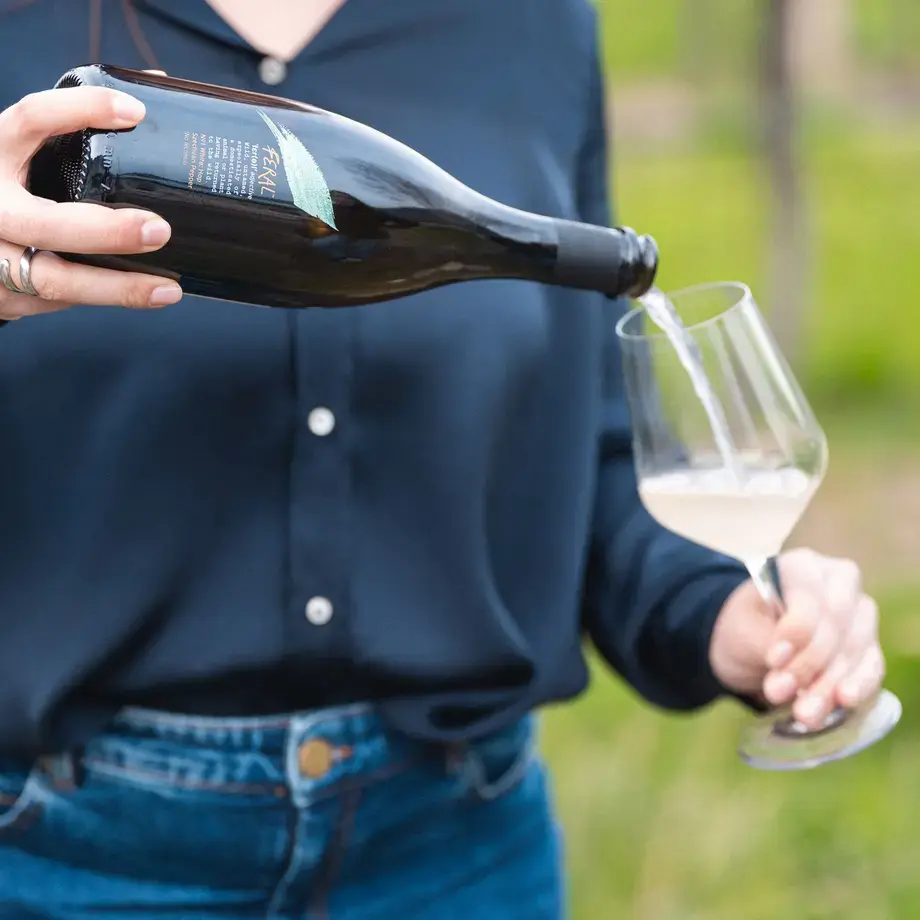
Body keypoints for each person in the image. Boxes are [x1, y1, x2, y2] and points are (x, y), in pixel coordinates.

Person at [0, 0, 884, 916]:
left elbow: (588, 456)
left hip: (456, 851)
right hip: (60, 854)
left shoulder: (529, 25)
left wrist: (721, 610)